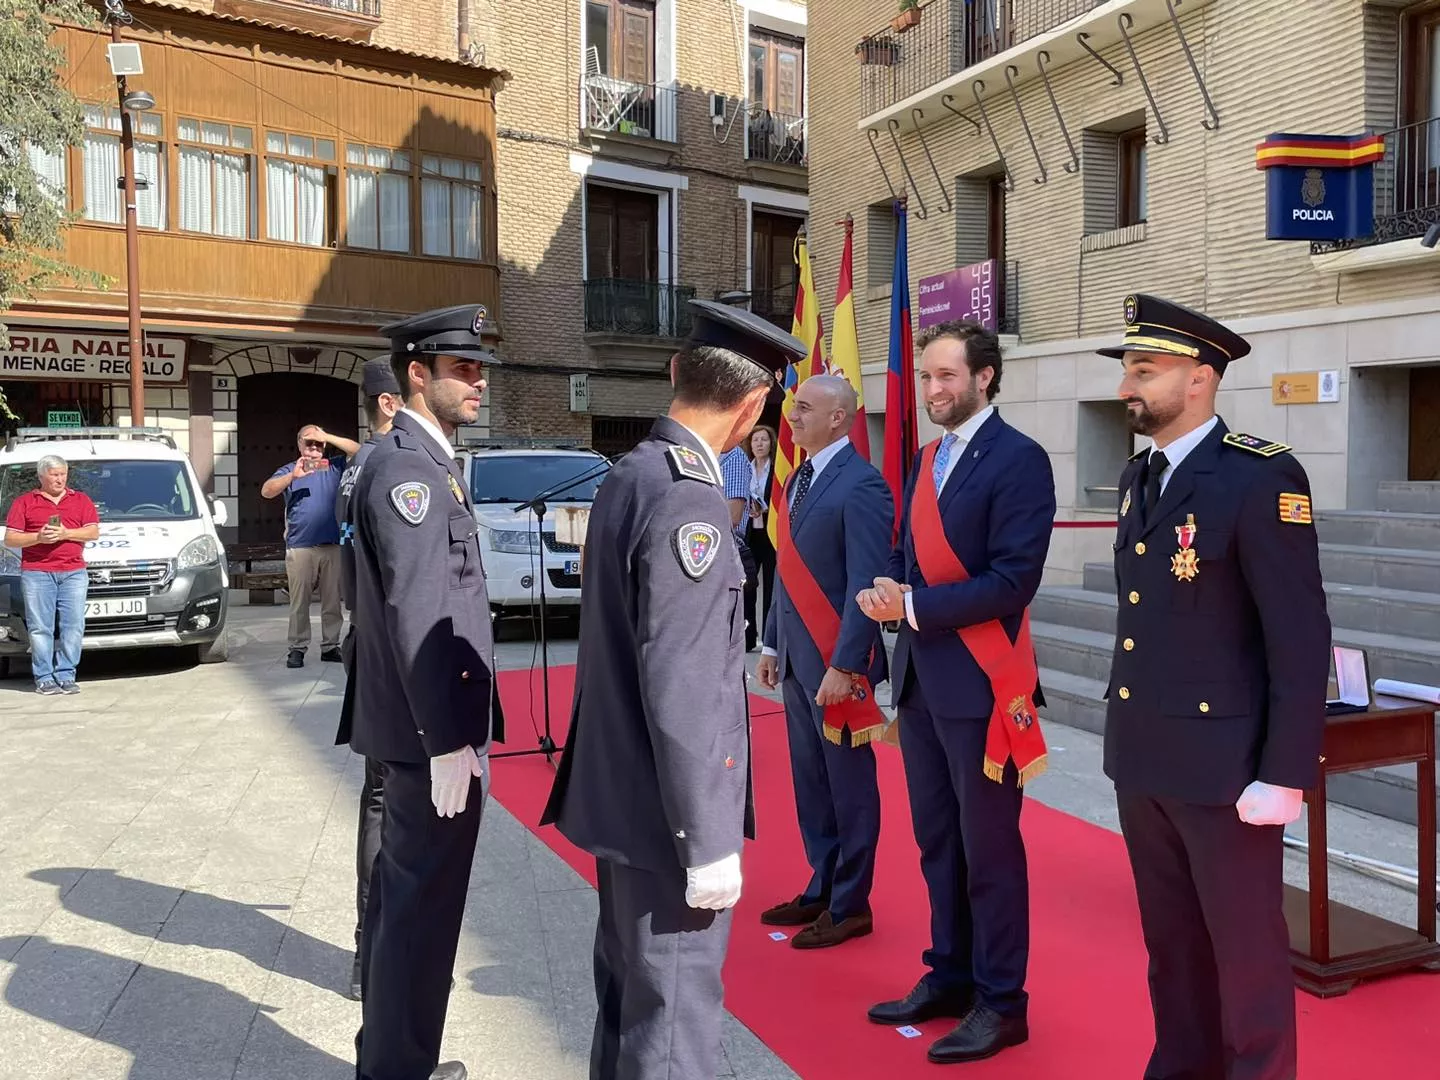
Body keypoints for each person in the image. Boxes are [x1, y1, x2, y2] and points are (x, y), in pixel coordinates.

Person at [541, 299, 806, 1080]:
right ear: (755, 404)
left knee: (631, 1004)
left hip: (626, 800)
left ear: (673, 375)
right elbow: (687, 685)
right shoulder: (691, 498)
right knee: (673, 1031)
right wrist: (709, 838)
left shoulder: (633, 472)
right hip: (667, 820)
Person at [1099, 293, 1330, 1080]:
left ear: (1199, 378)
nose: (1128, 386)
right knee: (1172, 949)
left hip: (1228, 767)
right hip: (1147, 754)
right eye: (1128, 369)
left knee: (1247, 958)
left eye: (1143, 369)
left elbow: (1299, 636)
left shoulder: (1260, 477)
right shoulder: (1141, 475)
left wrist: (1286, 771)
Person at [857, 319, 1056, 1065]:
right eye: (927, 376)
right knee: (938, 843)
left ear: (985, 378)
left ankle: (1003, 1003)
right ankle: (950, 975)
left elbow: (1013, 581)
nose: (934, 390)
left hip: (981, 686)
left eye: (948, 377)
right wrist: (892, 583)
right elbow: (910, 553)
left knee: (990, 851)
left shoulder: (1020, 461)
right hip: (922, 684)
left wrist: (910, 608)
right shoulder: (927, 457)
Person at [348, 303, 502, 1080]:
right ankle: (397, 1068)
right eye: (461, 369)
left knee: (409, 908)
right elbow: (416, 607)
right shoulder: (408, 468)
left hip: (418, 733)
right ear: (417, 374)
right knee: (418, 915)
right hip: (422, 742)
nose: (477, 382)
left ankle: (394, 1057)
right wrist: (446, 739)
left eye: (479, 368)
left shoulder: (423, 459)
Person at [755, 376, 891, 949]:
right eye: (792, 407)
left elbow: (865, 582)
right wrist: (769, 643)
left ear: (839, 418)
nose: (792, 418)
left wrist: (847, 663)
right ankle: (822, 883)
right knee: (811, 782)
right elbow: (786, 570)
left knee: (848, 785)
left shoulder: (862, 485)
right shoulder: (801, 480)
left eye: (804, 408)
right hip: (795, 658)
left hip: (838, 668)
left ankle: (851, 901)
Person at [333, 357, 404, 1002]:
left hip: (361, 639)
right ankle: (380, 950)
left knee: (375, 798)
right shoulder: (392, 466)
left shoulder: (355, 466)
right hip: (389, 653)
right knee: (391, 802)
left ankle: (367, 947)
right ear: (389, 404)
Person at [261, 423, 360, 668]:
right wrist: (292, 476)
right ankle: (297, 648)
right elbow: (266, 491)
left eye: (318, 444)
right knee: (299, 602)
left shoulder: (336, 467)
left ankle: (330, 646)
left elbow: (358, 451)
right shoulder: (289, 469)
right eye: (309, 442)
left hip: (332, 545)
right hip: (300, 546)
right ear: (299, 445)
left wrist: (326, 435)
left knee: (331, 600)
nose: (314, 448)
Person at [3, 455, 100, 695]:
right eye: (54, 474)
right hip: (37, 573)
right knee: (40, 627)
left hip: (73, 572)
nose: (60, 479)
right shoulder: (25, 502)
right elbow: (10, 538)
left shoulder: (81, 500)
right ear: (41, 476)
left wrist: (66, 533)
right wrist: (38, 537)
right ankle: (44, 677)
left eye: (63, 474)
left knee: (74, 625)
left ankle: (67, 674)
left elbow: (93, 532)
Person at [742, 424, 778, 650]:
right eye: (755, 440)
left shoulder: (777, 469)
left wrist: (766, 509)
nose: (759, 444)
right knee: (748, 584)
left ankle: (769, 638)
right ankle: (747, 636)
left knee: (771, 587)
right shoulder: (745, 468)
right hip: (749, 534)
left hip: (770, 532)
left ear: (770, 443)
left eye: (763, 440)